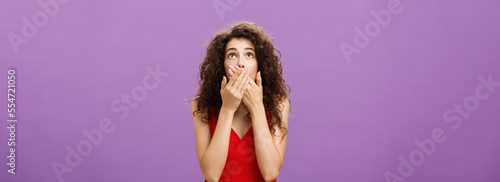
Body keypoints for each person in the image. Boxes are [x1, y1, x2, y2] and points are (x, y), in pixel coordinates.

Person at [190, 21, 291, 182]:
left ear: (260, 64)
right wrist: (227, 109)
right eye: (232, 55)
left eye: (249, 55)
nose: (240, 63)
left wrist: (257, 107)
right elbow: (211, 174)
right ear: (222, 66)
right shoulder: (201, 105)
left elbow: (271, 172)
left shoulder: (279, 103)